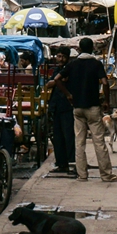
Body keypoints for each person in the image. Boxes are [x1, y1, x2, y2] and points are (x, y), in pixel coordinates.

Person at [52, 37, 117, 183]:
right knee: (99, 141)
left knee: (79, 142)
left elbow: (57, 79)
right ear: (92, 49)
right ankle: (106, 174)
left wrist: (68, 95)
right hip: (93, 107)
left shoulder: (72, 64)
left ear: (79, 49)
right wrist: (107, 101)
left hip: (77, 108)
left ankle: (82, 175)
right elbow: (104, 82)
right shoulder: (96, 64)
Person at [45, 46, 75, 174]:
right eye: (58, 56)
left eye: (63, 56)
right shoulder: (56, 70)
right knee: (57, 137)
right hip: (55, 106)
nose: (60, 59)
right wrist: (57, 81)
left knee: (68, 136)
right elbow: (48, 84)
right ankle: (61, 163)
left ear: (67, 57)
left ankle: (71, 163)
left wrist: (56, 81)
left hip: (67, 107)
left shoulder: (70, 69)